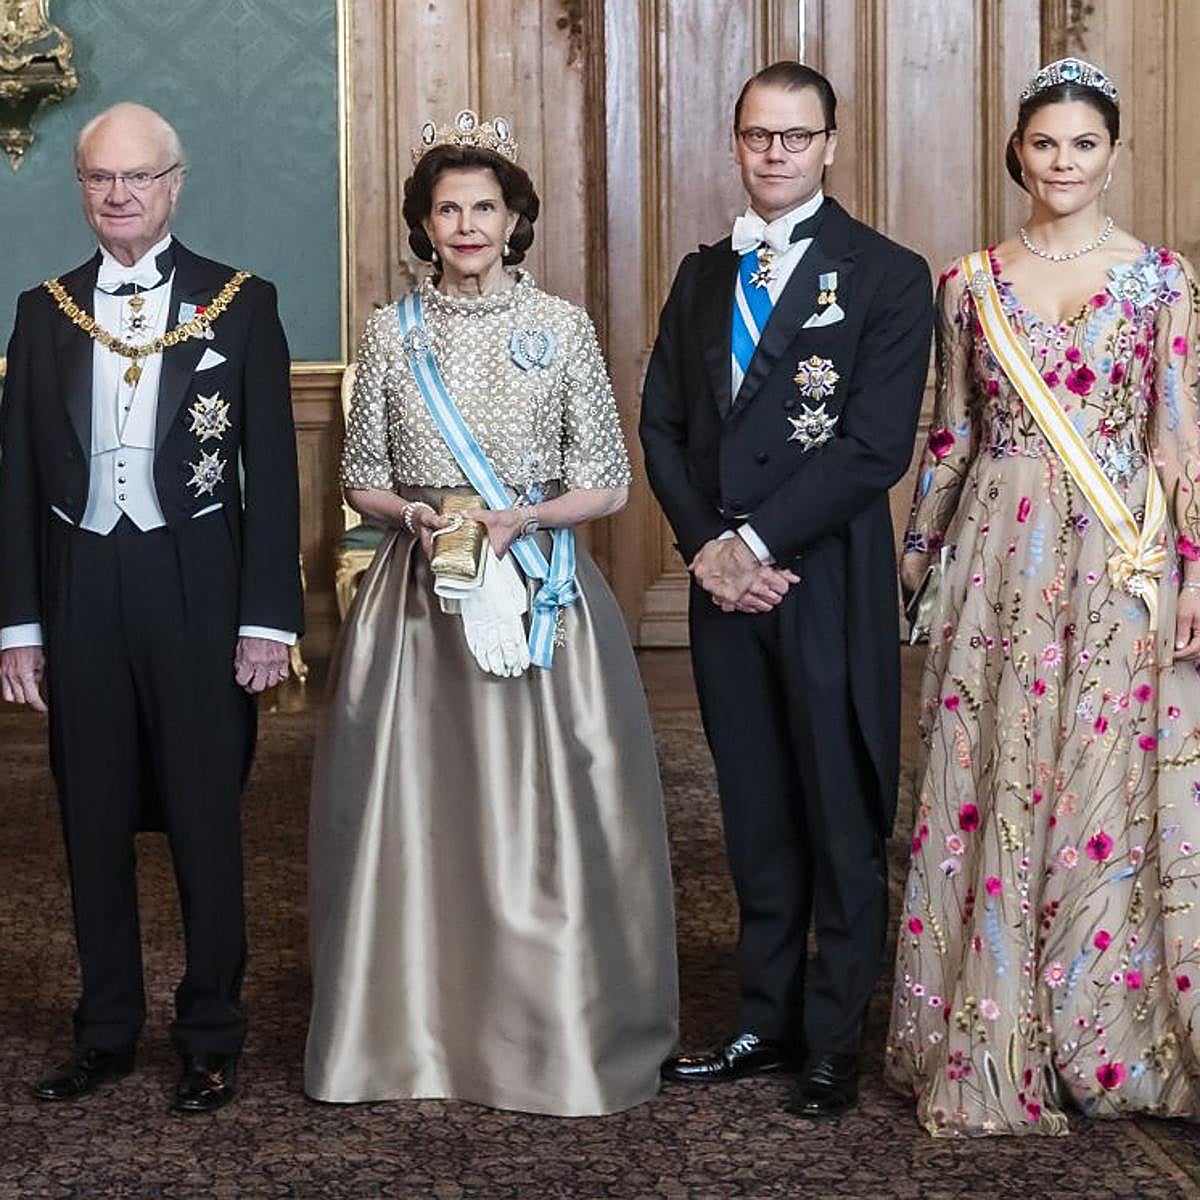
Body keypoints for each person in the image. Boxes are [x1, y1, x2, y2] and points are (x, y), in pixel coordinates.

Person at [304, 111, 678, 1116]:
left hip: (538, 588)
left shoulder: (560, 329)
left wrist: (519, 522)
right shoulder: (391, 333)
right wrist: (417, 516)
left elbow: (606, 483)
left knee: (541, 817)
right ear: (426, 226)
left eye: (484, 207)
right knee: (418, 816)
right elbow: (360, 478)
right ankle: (406, 1029)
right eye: (446, 209)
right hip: (419, 597)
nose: (466, 225)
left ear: (516, 220)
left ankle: (547, 1029)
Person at [886, 58, 1200, 1135]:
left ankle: (1105, 1035)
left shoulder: (1164, 279)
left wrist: (1191, 565)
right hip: (1001, 555)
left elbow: (1177, 439)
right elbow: (954, 432)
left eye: (1084, 144)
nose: (1062, 162)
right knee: (1000, 773)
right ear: (1017, 151)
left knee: (1105, 781)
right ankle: (999, 1025)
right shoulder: (969, 281)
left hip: (1117, 553)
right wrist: (918, 558)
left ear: (1115, 154)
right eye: (1044, 143)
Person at [640, 61, 933, 1119]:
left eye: (795, 136)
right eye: (758, 135)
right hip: (725, 586)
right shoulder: (700, 276)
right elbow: (662, 427)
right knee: (755, 806)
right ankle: (764, 1016)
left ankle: (835, 1036)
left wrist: (753, 539)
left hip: (823, 578)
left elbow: (873, 448)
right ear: (735, 142)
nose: (775, 153)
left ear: (830, 144)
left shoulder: (890, 276)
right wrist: (708, 548)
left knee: (840, 805)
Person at [0, 103, 303, 1113]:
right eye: (99, 179)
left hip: (198, 590)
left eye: (138, 177)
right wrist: (18, 624)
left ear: (176, 183)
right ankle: (107, 1029)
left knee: (208, 819)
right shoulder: (42, 311)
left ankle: (210, 1031)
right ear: (81, 189)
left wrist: (270, 616)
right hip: (80, 585)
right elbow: (12, 484)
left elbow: (275, 474)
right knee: (88, 821)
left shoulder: (240, 303)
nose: (119, 194)